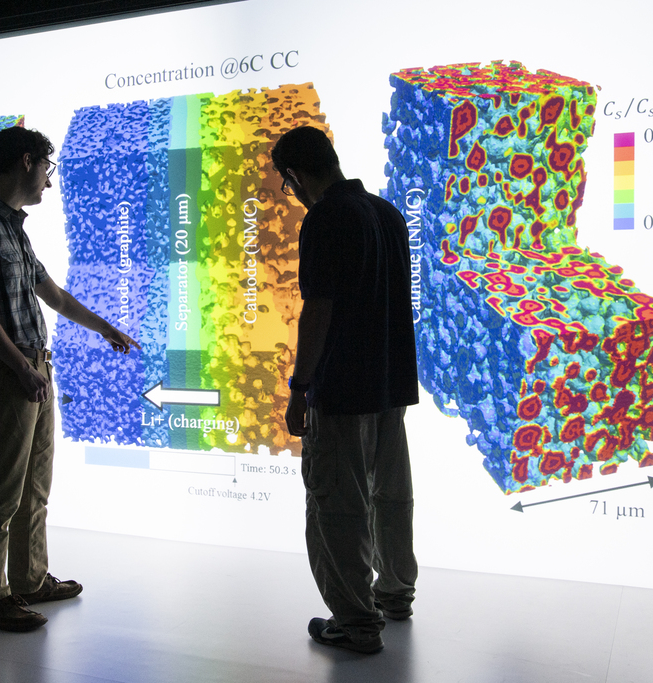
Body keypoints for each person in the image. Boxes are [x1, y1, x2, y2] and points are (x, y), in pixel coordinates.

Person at [0, 126, 140, 632]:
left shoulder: (14, 228)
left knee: (35, 486)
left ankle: (29, 581)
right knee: (0, 490)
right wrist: (18, 365)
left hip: (33, 367)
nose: (48, 184)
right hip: (9, 369)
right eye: (46, 171)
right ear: (26, 161)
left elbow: (51, 294)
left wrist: (106, 328)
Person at [271, 125, 420, 654]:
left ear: (295, 175)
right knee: (389, 494)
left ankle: (356, 622)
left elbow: (320, 311)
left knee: (337, 502)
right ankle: (395, 594)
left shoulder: (327, 217)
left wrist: (300, 387)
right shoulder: (386, 213)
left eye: (288, 185)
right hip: (390, 380)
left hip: (342, 384)